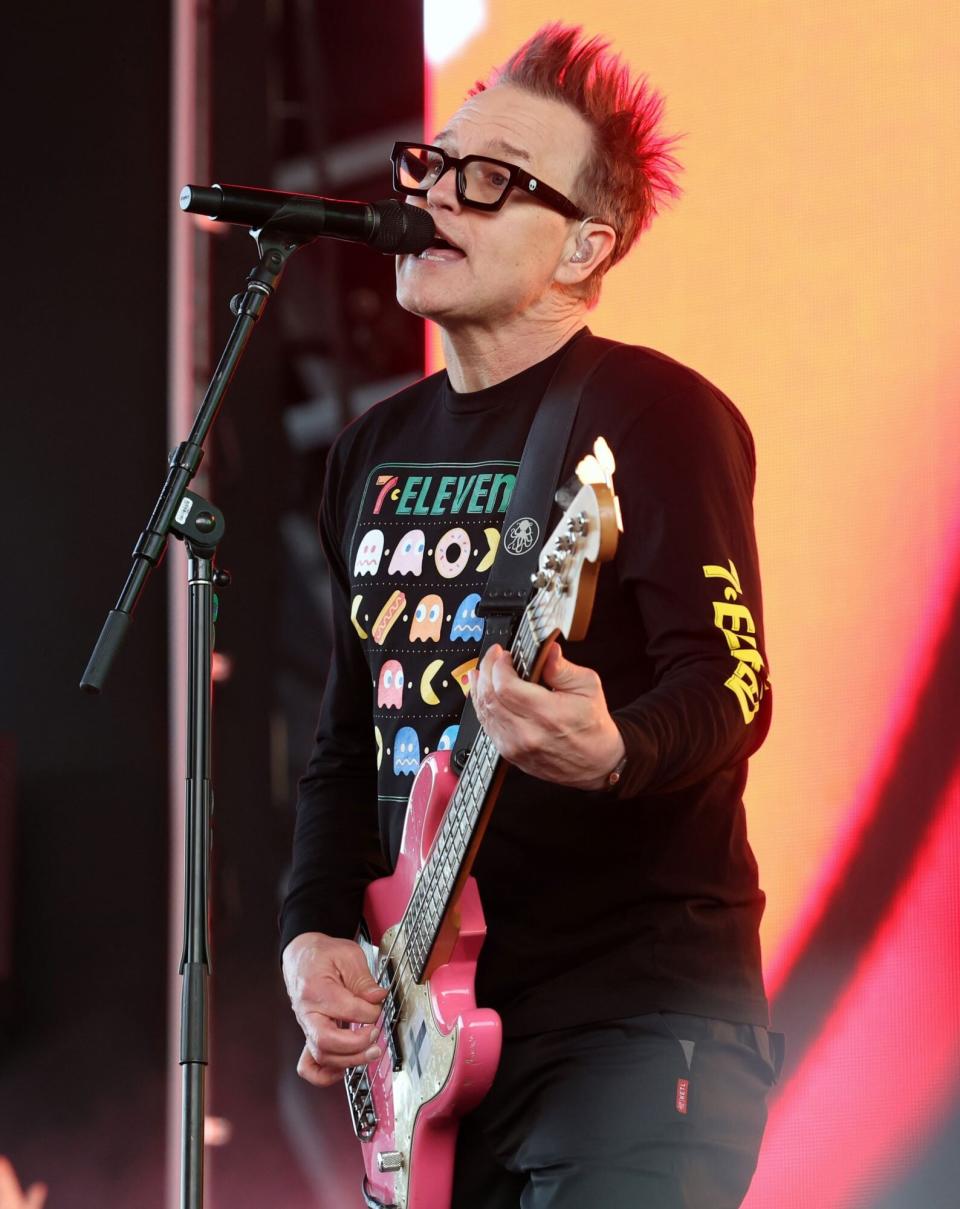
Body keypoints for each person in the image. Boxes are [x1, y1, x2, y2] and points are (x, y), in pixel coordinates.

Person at [280, 23, 782, 1208]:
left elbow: (733, 686)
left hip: (632, 1023)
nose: (438, 196)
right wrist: (312, 932)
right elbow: (348, 742)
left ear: (583, 248)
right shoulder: (372, 451)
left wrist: (619, 751)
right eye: (434, 166)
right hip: (433, 1043)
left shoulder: (657, 414)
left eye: (493, 180)